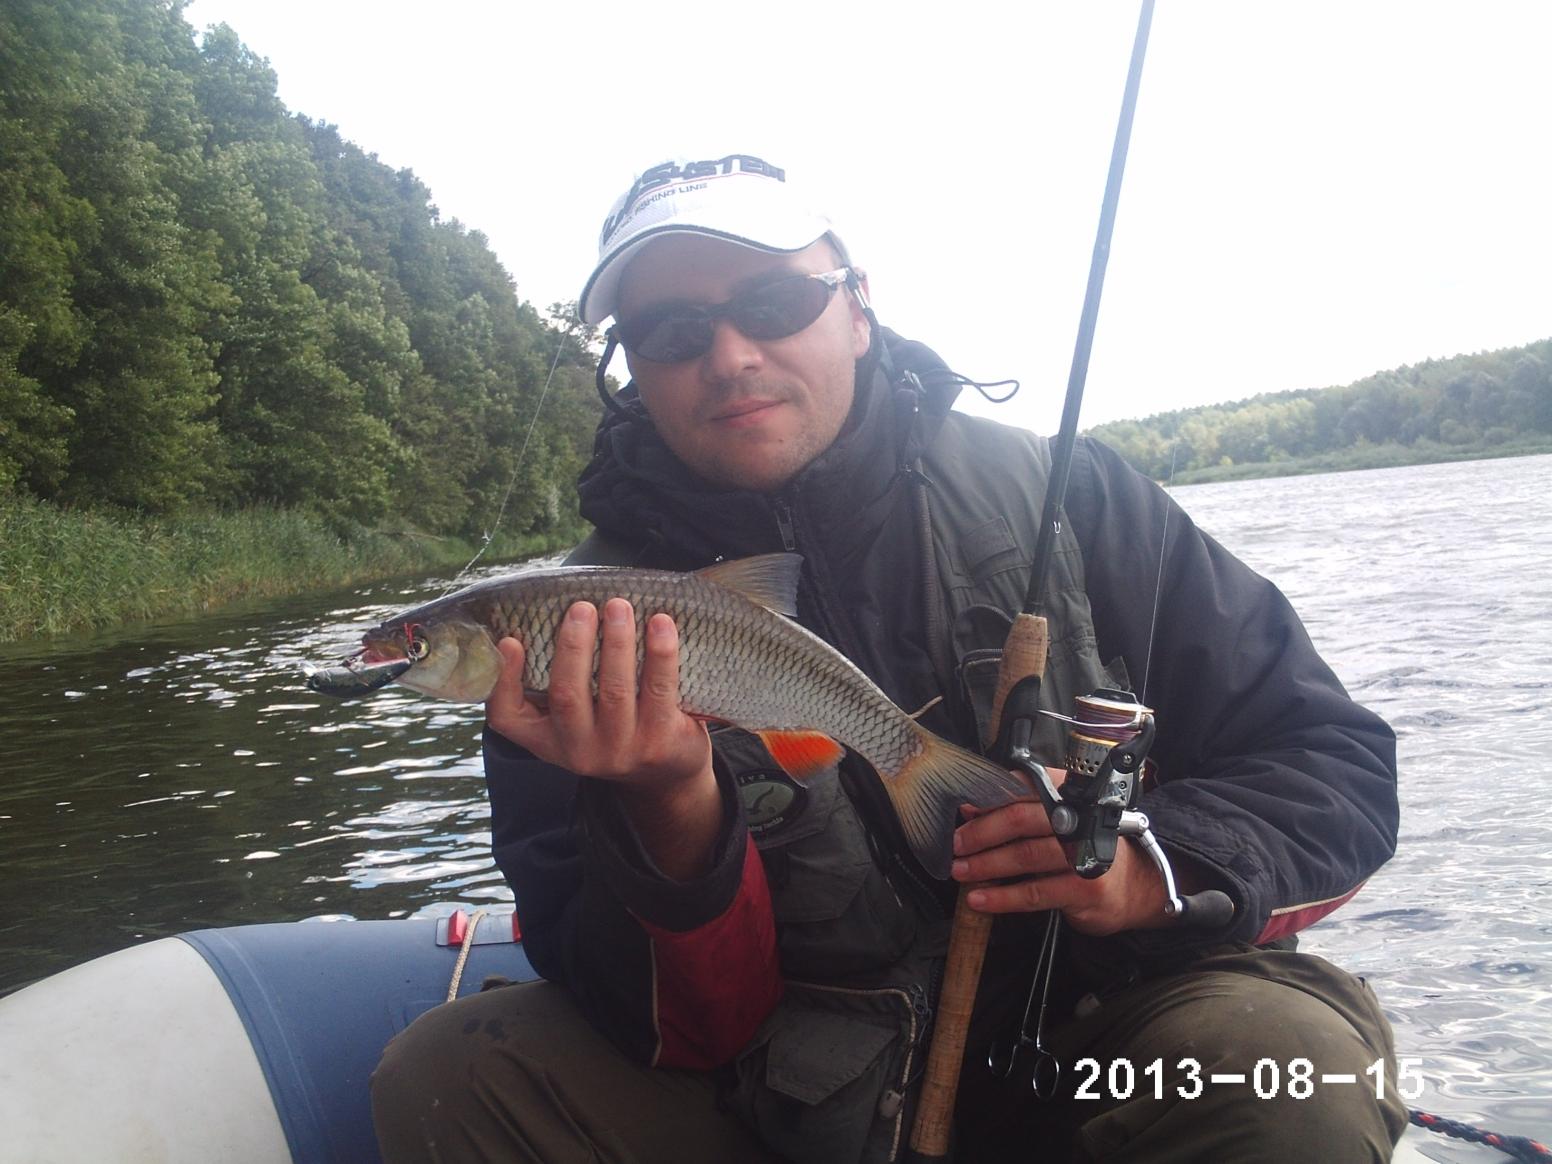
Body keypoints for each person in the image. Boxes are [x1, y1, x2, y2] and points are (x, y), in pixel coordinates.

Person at [370, 154, 1407, 1163]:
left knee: (1290, 1067)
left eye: (774, 302)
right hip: (803, 1087)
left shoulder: (1073, 494)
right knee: (451, 1073)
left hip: (1114, 1028)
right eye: (673, 331)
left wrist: (1151, 867)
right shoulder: (563, 638)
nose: (729, 356)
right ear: (633, 365)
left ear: (857, 307)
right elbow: (670, 1023)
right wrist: (669, 809)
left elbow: (1333, 764)